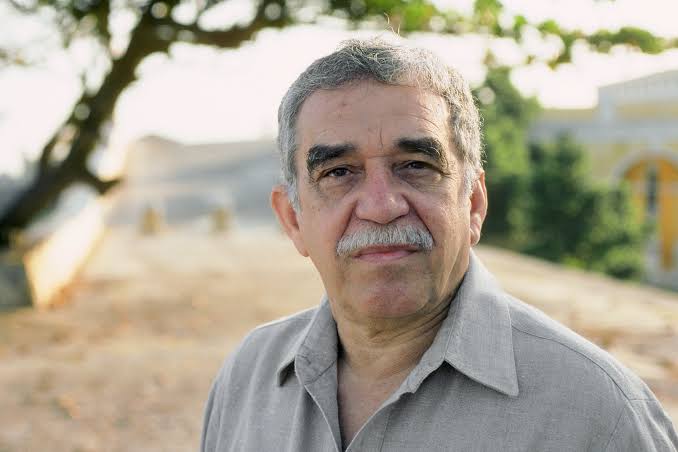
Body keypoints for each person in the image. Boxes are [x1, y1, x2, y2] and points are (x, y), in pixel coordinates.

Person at [201, 38, 678, 451]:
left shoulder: (599, 415)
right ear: (293, 219)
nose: (381, 206)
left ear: (473, 203)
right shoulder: (247, 379)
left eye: (416, 166)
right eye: (338, 172)